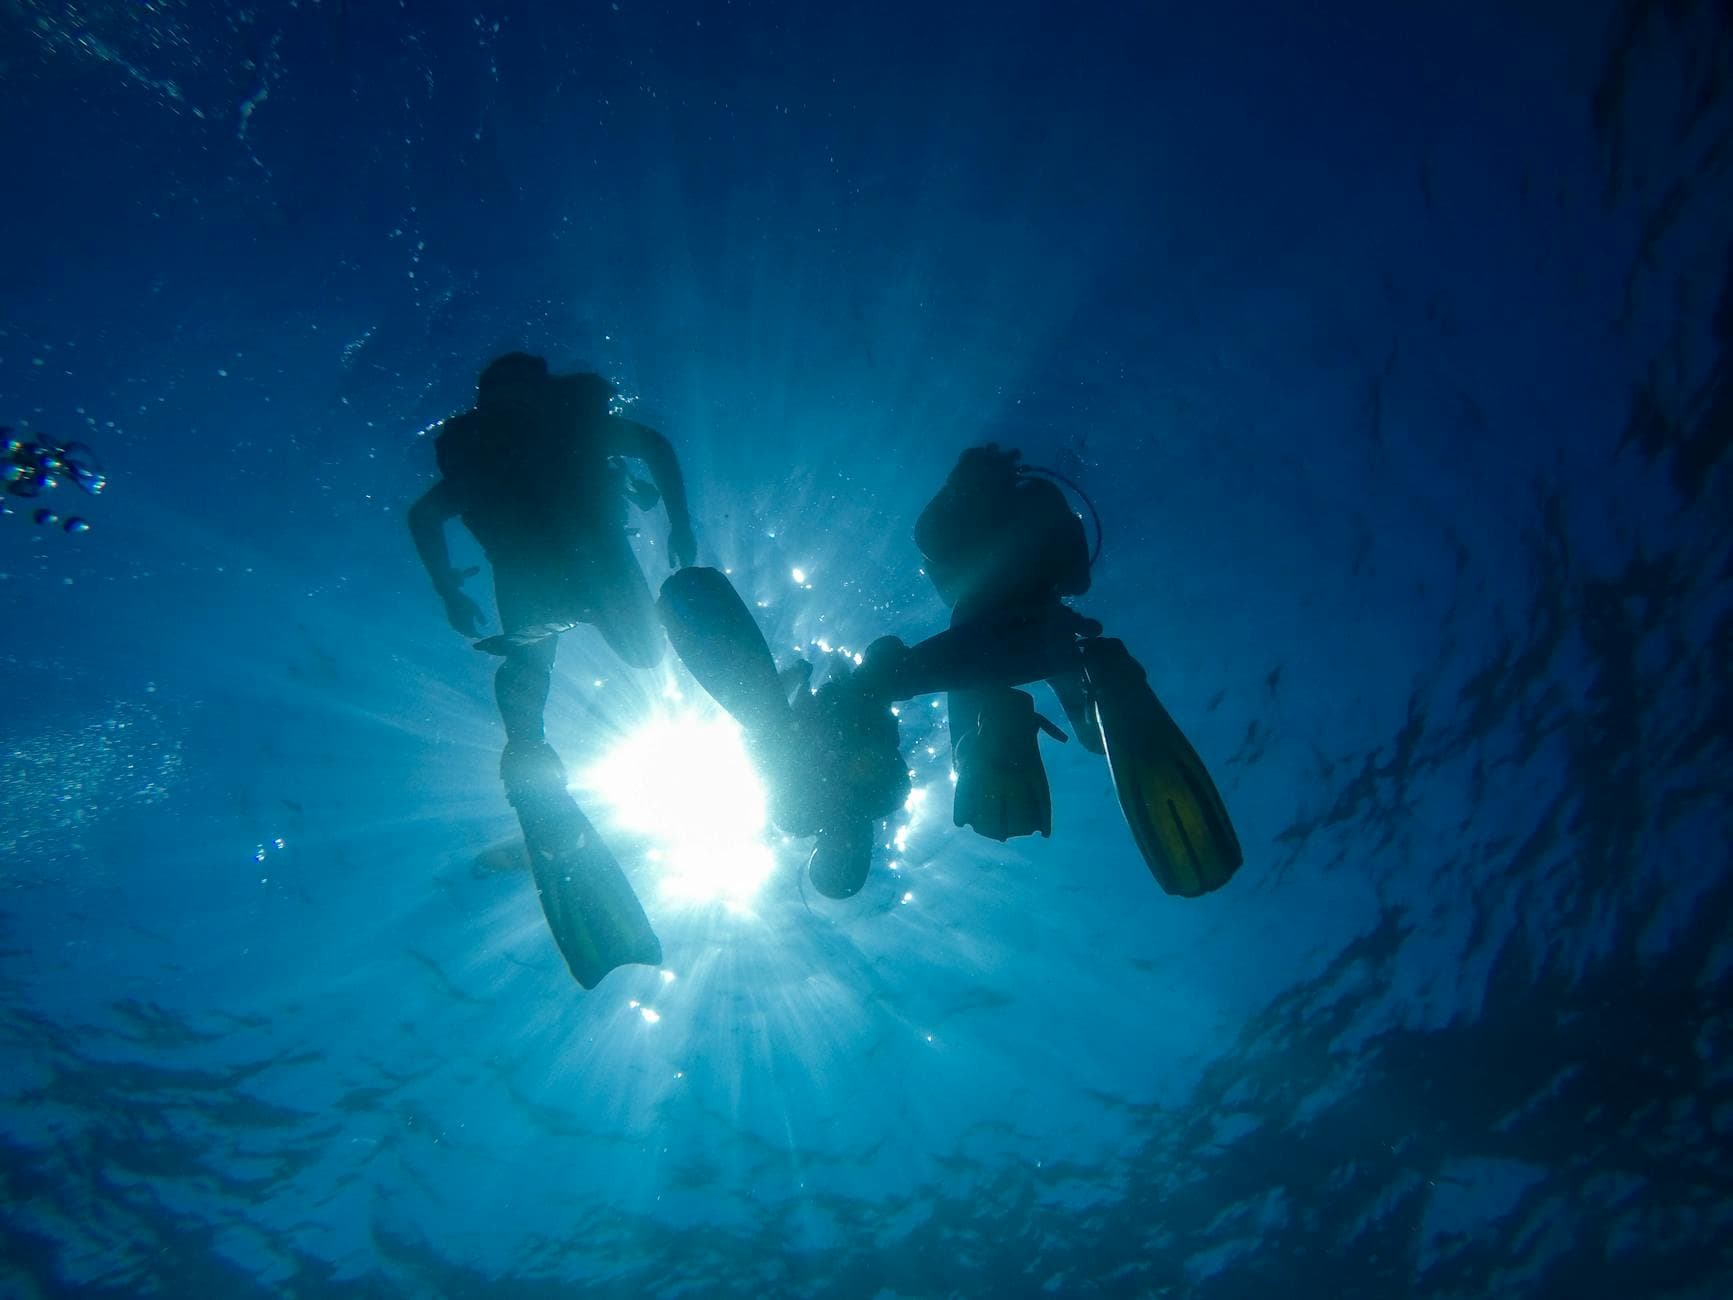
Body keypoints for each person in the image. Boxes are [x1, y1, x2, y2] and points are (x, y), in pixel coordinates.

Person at [409, 352, 696, 752]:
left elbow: (423, 516)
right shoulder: (493, 451)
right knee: (537, 661)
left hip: (557, 563)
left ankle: (526, 748)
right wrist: (679, 525)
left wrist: (449, 590)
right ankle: (527, 749)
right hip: (574, 561)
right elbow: (655, 445)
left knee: (626, 656)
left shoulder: (564, 430)